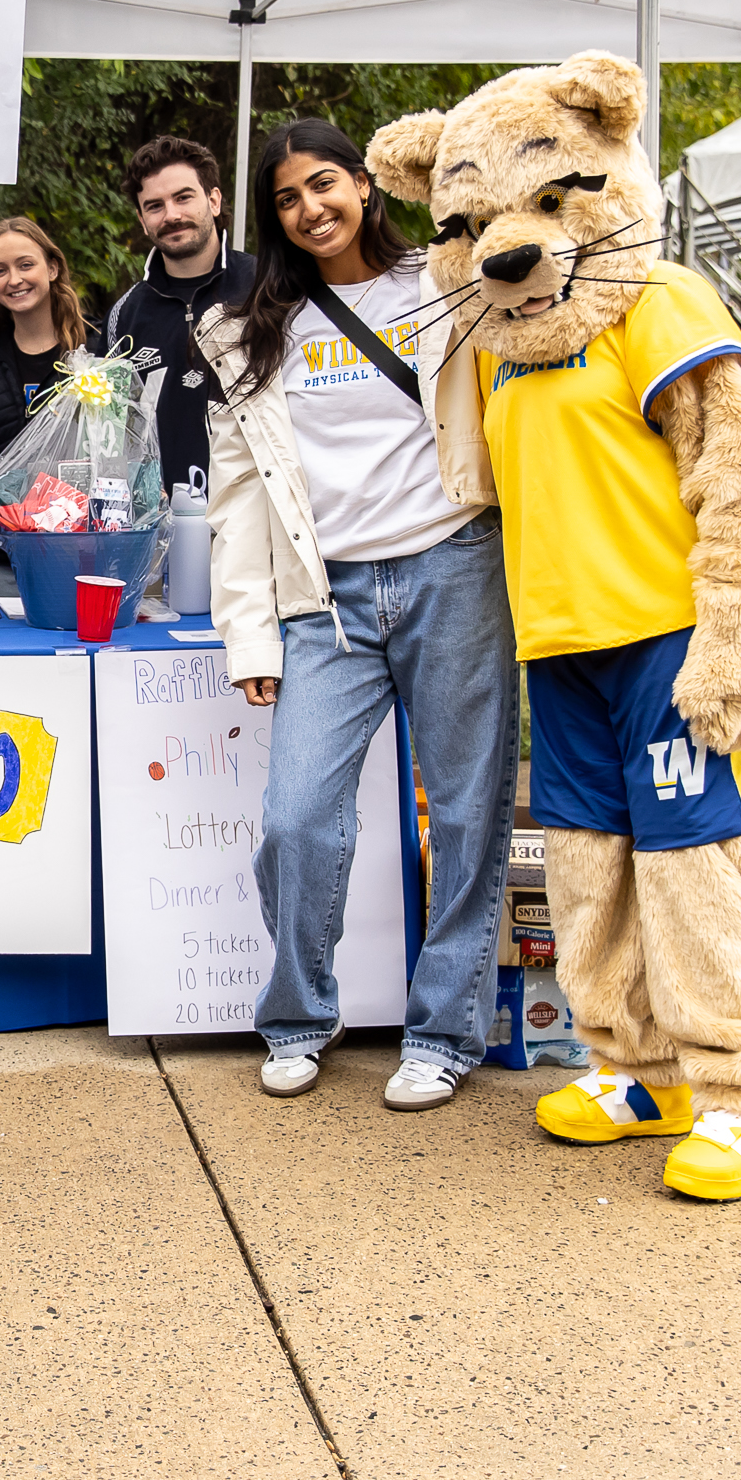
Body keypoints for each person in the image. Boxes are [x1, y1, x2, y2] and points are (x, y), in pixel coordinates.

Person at [200, 119, 515, 1114]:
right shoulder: (251, 325)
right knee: (296, 815)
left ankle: (444, 1030)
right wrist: (249, 632)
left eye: (325, 184)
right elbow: (238, 498)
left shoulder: (444, 283)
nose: (310, 209)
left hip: (452, 562)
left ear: (367, 186)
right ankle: (298, 1016)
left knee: (465, 811)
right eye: (288, 197)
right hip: (322, 595)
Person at [101, 134, 259, 494]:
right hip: (161, 524)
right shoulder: (124, 314)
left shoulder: (265, 289)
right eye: (154, 206)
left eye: (183, 197)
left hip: (254, 518)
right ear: (142, 221)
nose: (171, 215)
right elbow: (114, 432)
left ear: (214, 200)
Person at [0, 217, 84, 604]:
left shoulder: (91, 358)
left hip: (77, 560)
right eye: (0, 271)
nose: (14, 279)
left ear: (52, 268)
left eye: (25, 265)